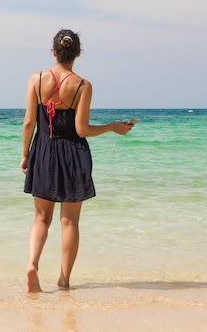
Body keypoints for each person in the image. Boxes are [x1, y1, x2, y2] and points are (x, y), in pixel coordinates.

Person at [20, 29, 133, 293]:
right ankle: (63, 281)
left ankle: (32, 264)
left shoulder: (36, 79)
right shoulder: (83, 85)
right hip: (73, 154)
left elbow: (28, 122)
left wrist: (26, 154)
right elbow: (81, 130)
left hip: (44, 151)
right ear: (78, 54)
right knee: (69, 221)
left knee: (40, 218)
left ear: (53, 52)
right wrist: (112, 127)